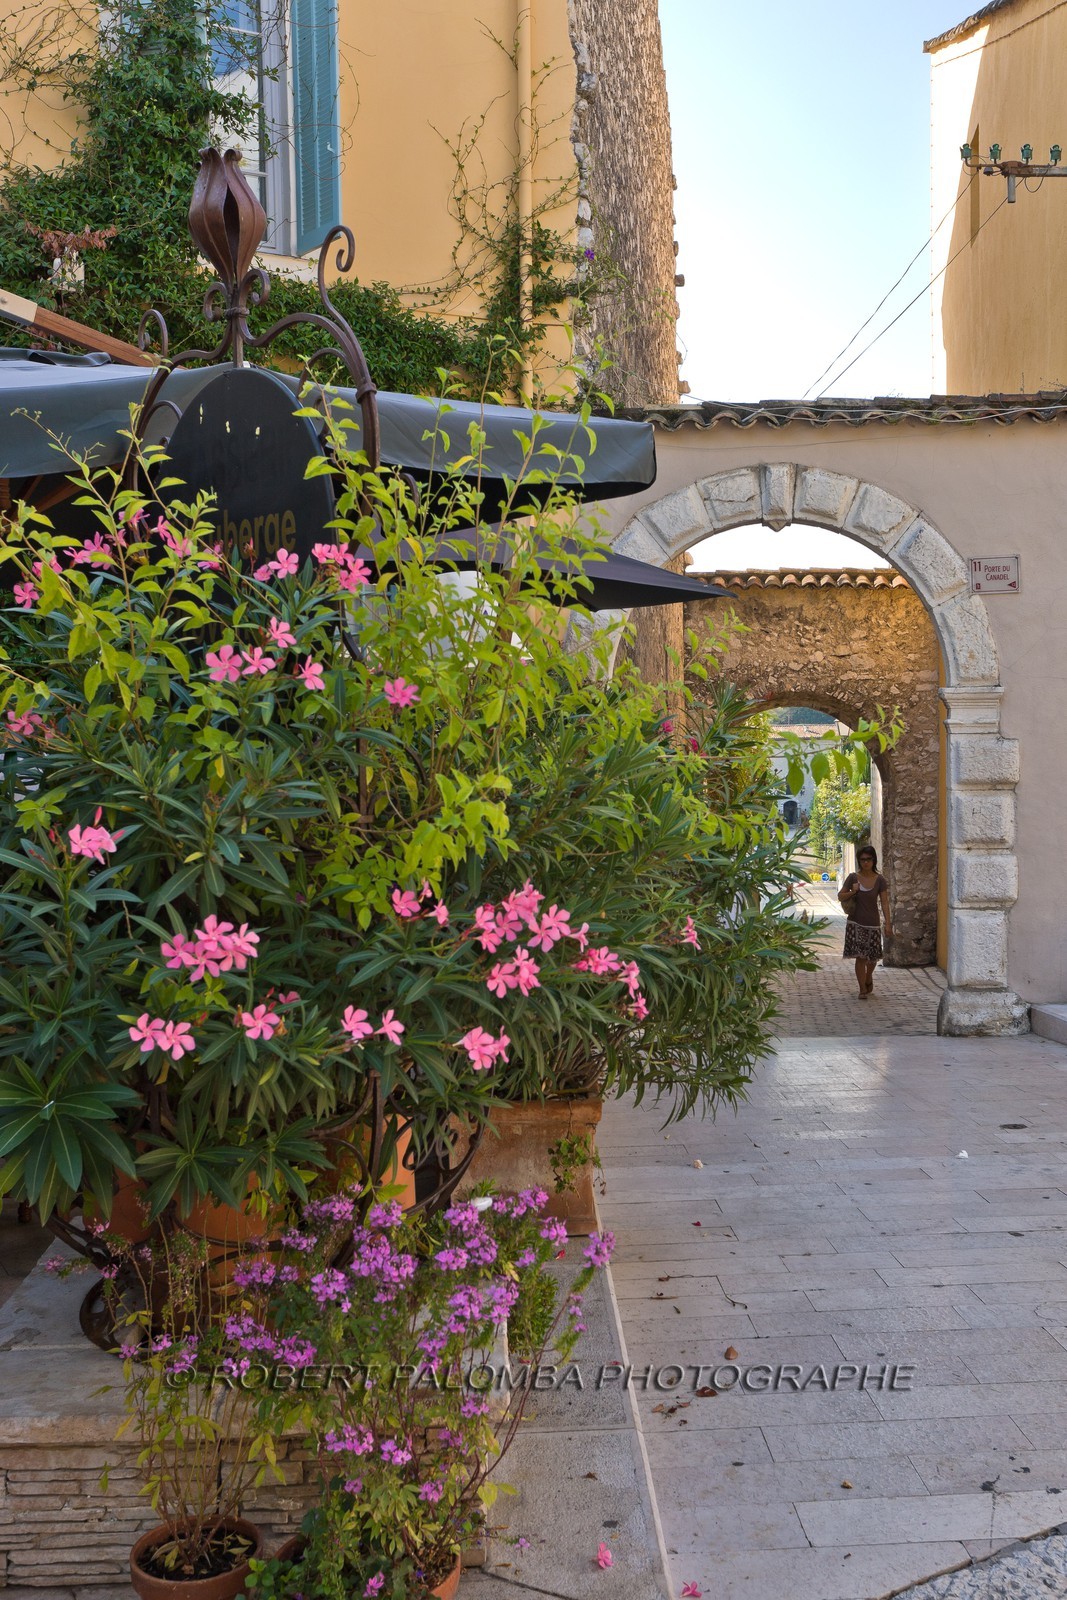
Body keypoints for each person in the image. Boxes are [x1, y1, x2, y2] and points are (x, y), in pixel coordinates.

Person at [838, 845, 893, 999]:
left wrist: (888, 923)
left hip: (873, 923)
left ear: (873, 860)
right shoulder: (853, 878)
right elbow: (840, 896)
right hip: (855, 923)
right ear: (859, 861)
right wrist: (853, 891)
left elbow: (885, 903)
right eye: (863, 860)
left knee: (873, 957)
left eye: (869, 859)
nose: (866, 862)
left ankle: (868, 977)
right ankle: (862, 988)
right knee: (860, 957)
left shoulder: (880, 880)